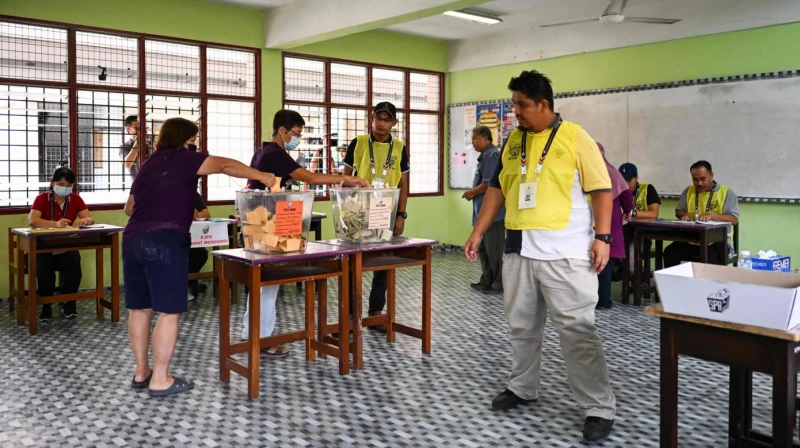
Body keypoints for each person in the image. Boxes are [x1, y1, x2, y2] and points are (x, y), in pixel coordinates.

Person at [464, 70, 617, 442]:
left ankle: (598, 407)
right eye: (514, 103)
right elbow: (499, 189)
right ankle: (522, 387)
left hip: (566, 254)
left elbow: (601, 190)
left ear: (544, 104)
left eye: (521, 105)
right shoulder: (514, 140)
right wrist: (479, 230)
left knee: (578, 331)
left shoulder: (575, 137)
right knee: (521, 327)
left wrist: (603, 237)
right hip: (520, 251)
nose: (514, 111)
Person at [123, 117, 275, 397]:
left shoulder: (149, 164)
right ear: (185, 140)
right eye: (194, 140)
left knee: (139, 308)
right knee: (169, 311)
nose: (196, 146)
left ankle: (141, 371)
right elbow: (226, 165)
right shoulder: (183, 158)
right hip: (165, 241)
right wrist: (263, 176)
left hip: (132, 239)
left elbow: (129, 208)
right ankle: (160, 379)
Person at [241, 109, 366, 357]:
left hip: (258, 221)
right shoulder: (274, 154)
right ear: (282, 131)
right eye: (296, 133)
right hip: (267, 224)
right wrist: (346, 179)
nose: (296, 138)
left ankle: (251, 335)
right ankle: (261, 341)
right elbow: (308, 176)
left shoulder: (263, 151)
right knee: (267, 285)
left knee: (262, 283)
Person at [344, 101, 409, 330]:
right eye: (378, 118)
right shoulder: (359, 142)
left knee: (383, 262)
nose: (381, 123)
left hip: (385, 211)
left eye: (387, 119)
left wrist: (401, 214)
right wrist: (345, 209)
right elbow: (345, 176)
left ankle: (375, 311)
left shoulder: (400, 147)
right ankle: (351, 315)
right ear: (371, 119)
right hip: (356, 210)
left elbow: (403, 182)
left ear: (394, 123)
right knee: (353, 262)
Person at [28, 167, 95, 321]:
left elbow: (91, 218)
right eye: (61, 184)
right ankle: (46, 307)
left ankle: (69, 304)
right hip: (43, 248)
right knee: (45, 274)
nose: (64, 188)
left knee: (75, 270)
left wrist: (86, 220)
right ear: (52, 183)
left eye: (68, 185)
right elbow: (32, 220)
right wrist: (55, 224)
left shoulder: (75, 199)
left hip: (66, 246)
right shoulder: (42, 198)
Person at [663, 160, 739, 267]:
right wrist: (685, 216)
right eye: (695, 180)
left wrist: (711, 216)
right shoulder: (688, 191)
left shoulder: (726, 193)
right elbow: (678, 211)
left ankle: (712, 284)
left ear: (711, 175)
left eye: (703, 179)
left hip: (718, 242)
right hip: (692, 240)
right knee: (670, 253)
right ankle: (676, 283)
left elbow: (733, 219)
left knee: (710, 256)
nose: (699, 183)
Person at [462, 125, 505, 293]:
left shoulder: (492, 155)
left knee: (494, 249)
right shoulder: (484, 156)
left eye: (474, 138)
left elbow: (489, 184)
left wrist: (471, 192)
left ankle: (498, 283)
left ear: (485, 138)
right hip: (482, 214)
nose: (472, 142)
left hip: (494, 215)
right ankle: (486, 280)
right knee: (484, 249)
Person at [595, 143, 632, 310]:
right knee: (605, 260)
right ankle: (603, 300)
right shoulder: (612, 173)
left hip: (591, 219)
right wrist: (628, 210)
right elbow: (626, 195)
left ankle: (596, 299)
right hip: (610, 219)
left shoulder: (584, 170)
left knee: (593, 260)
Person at [618, 162, 661, 275]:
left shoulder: (648, 189)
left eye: (629, 180)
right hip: (622, 234)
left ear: (636, 177)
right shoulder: (617, 191)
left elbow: (654, 213)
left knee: (632, 263)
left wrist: (632, 213)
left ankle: (642, 280)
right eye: (622, 180)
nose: (625, 184)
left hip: (641, 235)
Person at [188, 192, 211, 302]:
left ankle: (188, 282)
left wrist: (194, 216)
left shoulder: (191, 192)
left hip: (192, 238)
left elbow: (206, 213)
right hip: (171, 238)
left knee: (201, 255)